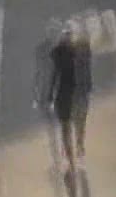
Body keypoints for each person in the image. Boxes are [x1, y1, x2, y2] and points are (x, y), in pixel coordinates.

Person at [37, 22, 92, 175]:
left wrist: (49, 96)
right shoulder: (83, 49)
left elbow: (54, 75)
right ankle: (78, 152)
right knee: (77, 125)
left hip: (66, 95)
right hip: (78, 94)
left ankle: (72, 157)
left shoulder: (59, 52)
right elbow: (85, 72)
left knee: (67, 127)